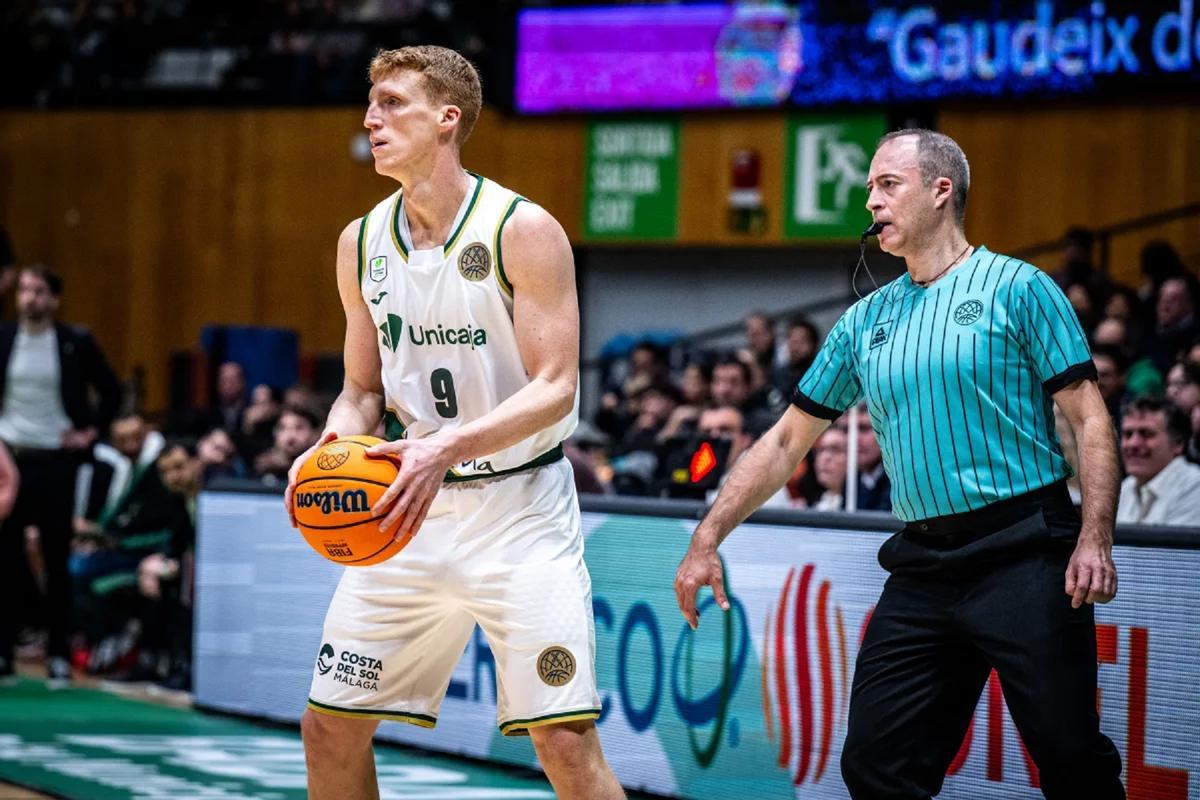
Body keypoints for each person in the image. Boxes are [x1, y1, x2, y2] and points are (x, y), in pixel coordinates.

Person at [674, 129, 1123, 799]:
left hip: (1025, 549)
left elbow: (1090, 418)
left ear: (942, 191)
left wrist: (1095, 534)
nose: (872, 202)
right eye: (869, 189)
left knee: (1070, 759)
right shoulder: (864, 320)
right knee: (876, 766)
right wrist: (707, 537)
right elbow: (784, 443)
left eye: (888, 185)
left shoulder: (1020, 287)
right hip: (923, 566)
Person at [284, 46, 623, 800]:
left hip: (518, 515)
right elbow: (360, 390)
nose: (372, 118)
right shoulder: (360, 242)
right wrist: (333, 446)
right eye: (370, 104)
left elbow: (557, 388)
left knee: (564, 744)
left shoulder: (522, 228)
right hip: (407, 510)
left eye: (393, 103)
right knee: (328, 728)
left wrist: (447, 447)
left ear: (448, 118)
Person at [0, 266, 121, 684]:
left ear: (54, 299)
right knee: (7, 559)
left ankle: (57, 653)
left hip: (56, 460)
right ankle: (5, 651)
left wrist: (89, 434)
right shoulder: (4, 339)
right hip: (9, 461)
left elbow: (112, 390)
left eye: (38, 291)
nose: (29, 298)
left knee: (55, 558)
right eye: (24, 290)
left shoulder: (74, 342)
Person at [1115, 397, 1200, 526]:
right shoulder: (1125, 487)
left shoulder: (1195, 487)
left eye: (1147, 434)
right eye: (1128, 434)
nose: (1133, 444)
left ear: (1178, 443)